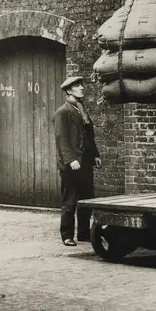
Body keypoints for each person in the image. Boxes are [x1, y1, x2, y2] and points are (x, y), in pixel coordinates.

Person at [53, 76, 101, 247]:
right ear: (68, 91)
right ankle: (67, 235)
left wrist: (95, 154)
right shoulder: (62, 112)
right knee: (70, 200)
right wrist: (70, 160)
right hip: (72, 164)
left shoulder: (82, 109)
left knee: (87, 199)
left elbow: (88, 136)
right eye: (77, 86)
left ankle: (83, 233)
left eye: (81, 85)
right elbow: (62, 139)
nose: (81, 88)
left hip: (85, 162)